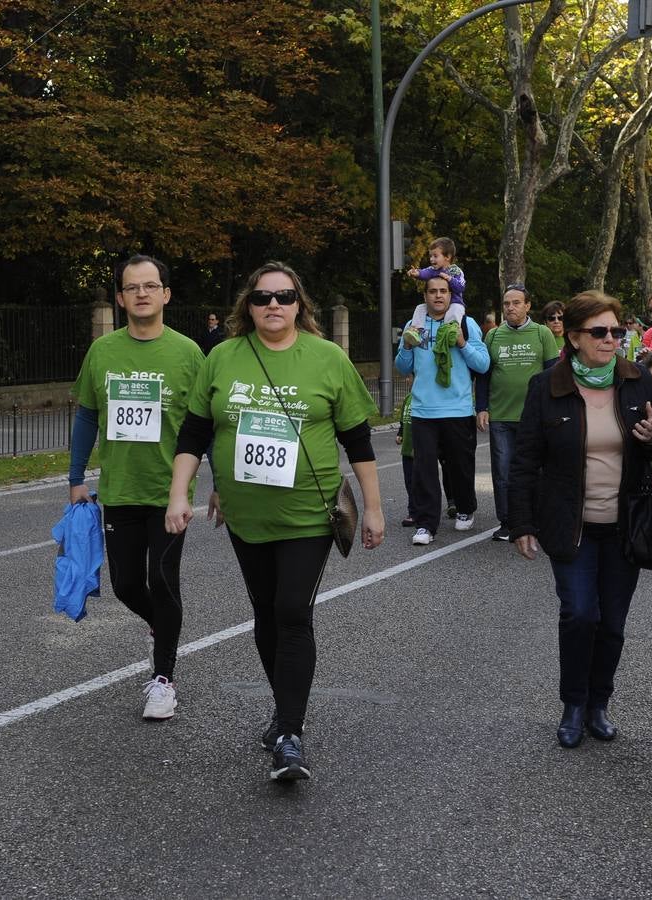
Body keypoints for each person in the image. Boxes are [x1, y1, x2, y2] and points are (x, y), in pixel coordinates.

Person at [166, 261, 385, 782]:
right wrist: (181, 495)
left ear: (299, 304)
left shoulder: (328, 358)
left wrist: (375, 508)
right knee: (266, 613)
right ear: (249, 304)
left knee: (291, 609)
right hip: (246, 517)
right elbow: (195, 434)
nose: (273, 306)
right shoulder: (222, 358)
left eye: (284, 297)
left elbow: (357, 439)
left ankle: (290, 734)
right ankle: (284, 711)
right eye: (263, 297)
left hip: (308, 514)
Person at [507, 291, 652, 749]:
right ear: (574, 337)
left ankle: (599, 703)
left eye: (617, 331)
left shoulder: (637, 381)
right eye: (599, 332)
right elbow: (524, 461)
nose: (611, 339)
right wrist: (522, 522)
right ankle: (573, 704)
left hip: (625, 525)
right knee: (579, 614)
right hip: (569, 524)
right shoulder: (546, 386)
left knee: (612, 621)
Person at [69, 254, 204, 720]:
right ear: (122, 298)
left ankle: (163, 679)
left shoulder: (189, 353)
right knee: (127, 584)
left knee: (162, 582)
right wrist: (75, 478)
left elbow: (208, 425)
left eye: (151, 285)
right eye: (132, 287)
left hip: (169, 491)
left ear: (166, 294)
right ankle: (163, 628)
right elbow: (87, 414)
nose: (142, 293)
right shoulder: (103, 352)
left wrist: (214, 485)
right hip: (120, 490)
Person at [396, 274, 490, 544]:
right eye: (432, 291)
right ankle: (425, 524)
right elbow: (403, 367)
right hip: (424, 411)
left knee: (459, 466)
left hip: (458, 410)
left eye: (443, 291)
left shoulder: (466, 323)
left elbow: (483, 364)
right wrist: (406, 346)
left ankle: (464, 508)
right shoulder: (414, 324)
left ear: (451, 295)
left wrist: (461, 342)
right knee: (423, 470)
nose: (438, 296)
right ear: (425, 296)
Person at [474, 283, 558, 541]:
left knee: (536, 470)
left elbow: (553, 374)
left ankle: (534, 519)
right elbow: (484, 375)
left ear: (528, 305)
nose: (510, 307)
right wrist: (481, 407)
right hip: (500, 415)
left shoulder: (543, 333)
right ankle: (507, 521)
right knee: (502, 472)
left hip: (534, 417)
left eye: (516, 303)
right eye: (507, 304)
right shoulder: (493, 336)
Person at [404, 237, 467, 341]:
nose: (431, 259)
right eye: (430, 256)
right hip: (437, 304)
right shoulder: (433, 270)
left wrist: (450, 279)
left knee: (455, 311)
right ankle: (415, 331)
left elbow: (461, 287)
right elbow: (424, 273)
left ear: (447, 257)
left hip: (454, 303)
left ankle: (450, 332)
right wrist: (416, 273)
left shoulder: (455, 271)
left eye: (435, 256)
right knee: (420, 308)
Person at [396, 386, 416, 528]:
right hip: (407, 449)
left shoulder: (424, 399)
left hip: (420, 450)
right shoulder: (408, 398)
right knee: (409, 481)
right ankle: (413, 511)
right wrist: (400, 433)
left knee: (420, 482)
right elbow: (403, 420)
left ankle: (418, 511)